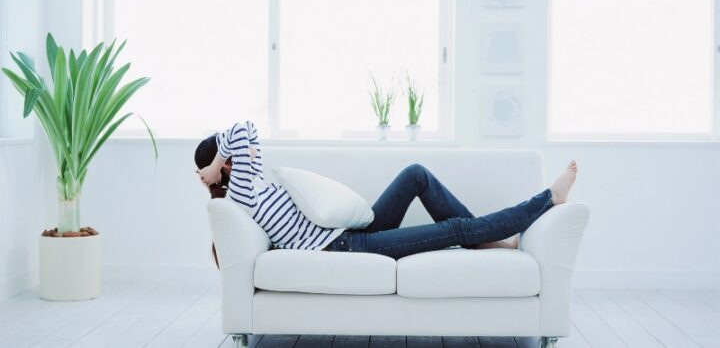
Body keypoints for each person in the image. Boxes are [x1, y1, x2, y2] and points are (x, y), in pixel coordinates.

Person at [195, 120, 577, 262]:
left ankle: (482, 241)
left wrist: (216, 163)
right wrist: (213, 167)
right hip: (348, 247)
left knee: (416, 175)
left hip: (354, 232)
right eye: (228, 159)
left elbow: (246, 134)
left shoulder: (252, 181)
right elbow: (243, 128)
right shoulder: (240, 193)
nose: (249, 155)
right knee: (455, 230)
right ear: (229, 165)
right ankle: (547, 201)